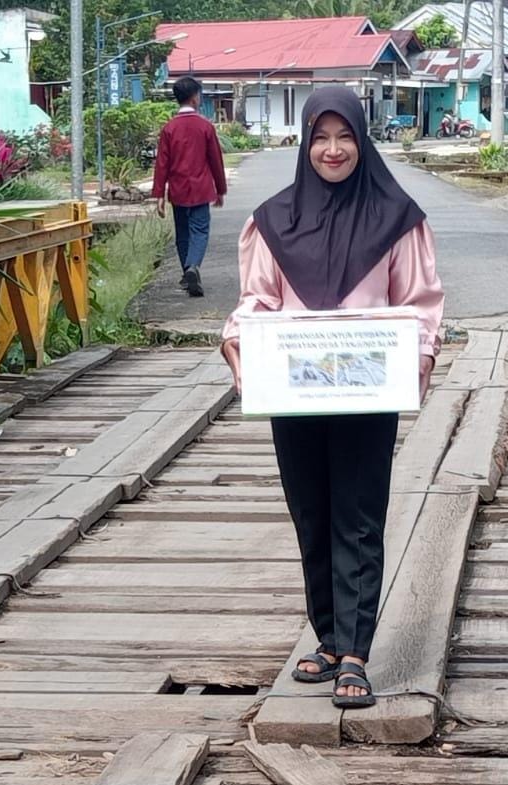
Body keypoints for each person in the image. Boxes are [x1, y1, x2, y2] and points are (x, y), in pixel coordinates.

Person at [219, 87, 444, 708]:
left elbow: (421, 304)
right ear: (305, 142)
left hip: (365, 390)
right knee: (311, 513)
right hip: (295, 391)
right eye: (321, 136)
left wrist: (417, 357)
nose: (333, 149)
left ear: (363, 141)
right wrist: (239, 342)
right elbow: (258, 300)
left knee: (359, 513)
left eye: (346, 137)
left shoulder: (397, 218)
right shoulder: (272, 220)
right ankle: (326, 636)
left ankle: (355, 652)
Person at [152, 76, 227, 298]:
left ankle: (187, 273)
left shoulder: (169, 128)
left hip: (177, 189)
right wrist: (220, 189)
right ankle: (193, 266)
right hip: (201, 189)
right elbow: (215, 160)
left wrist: (158, 194)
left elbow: (162, 163)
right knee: (200, 231)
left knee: (182, 233)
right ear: (195, 98)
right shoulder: (205, 127)